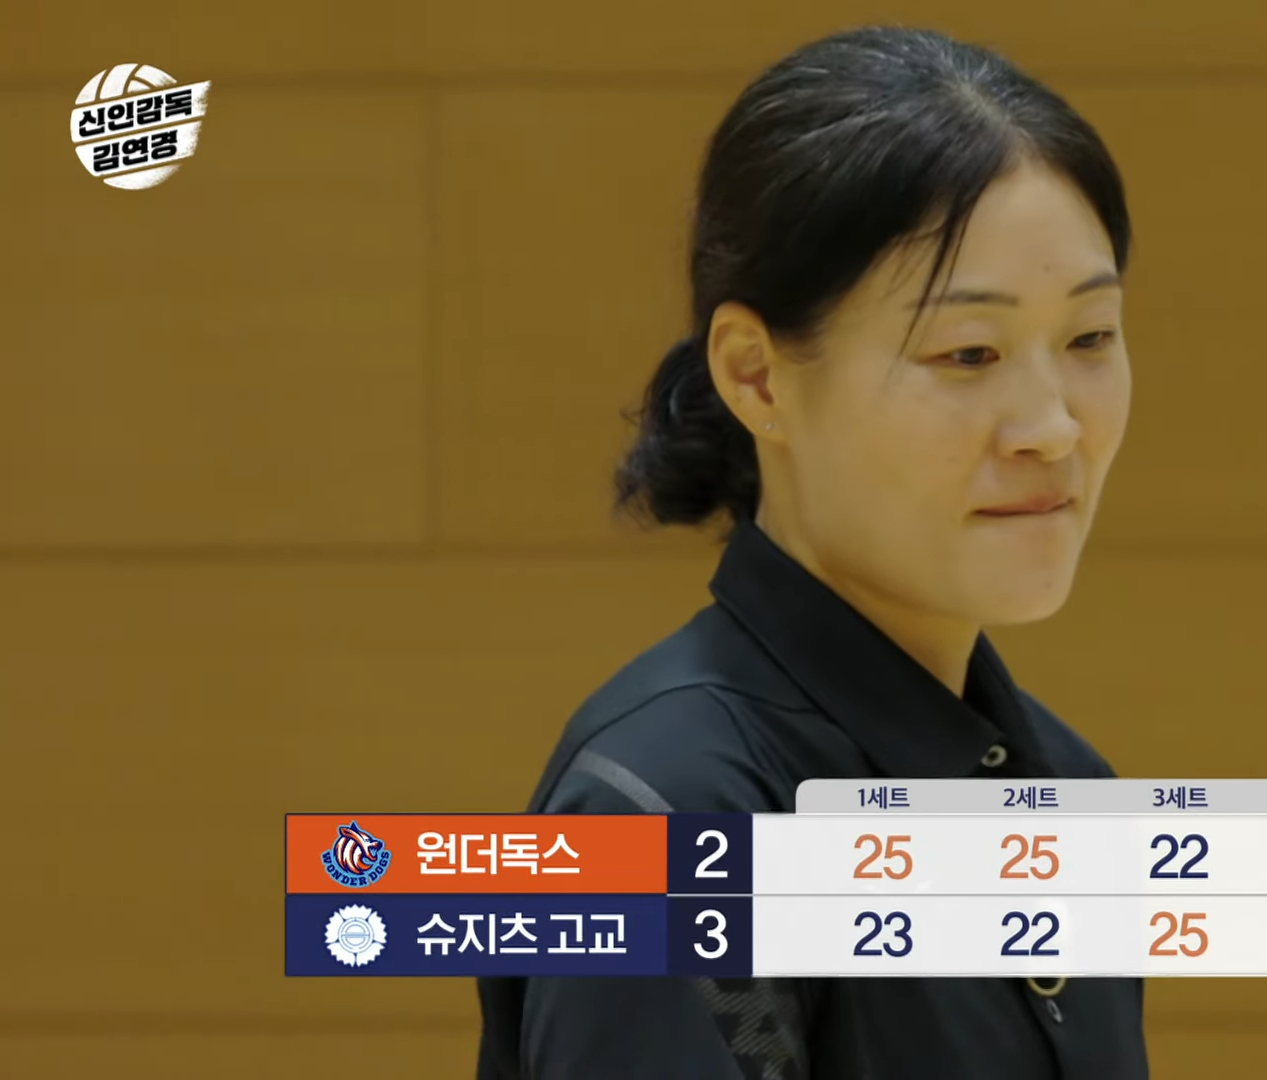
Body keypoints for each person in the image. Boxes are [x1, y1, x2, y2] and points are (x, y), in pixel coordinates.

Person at [476, 24, 1144, 1080]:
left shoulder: (1070, 790)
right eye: (969, 352)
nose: (1054, 427)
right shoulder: (666, 822)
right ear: (757, 376)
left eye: (1090, 339)